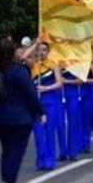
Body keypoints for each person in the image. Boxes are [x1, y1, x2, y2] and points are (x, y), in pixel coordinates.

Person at [0, 39, 45, 183]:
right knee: (16, 150)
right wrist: (41, 112)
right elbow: (30, 93)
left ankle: (7, 181)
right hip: (19, 117)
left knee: (7, 149)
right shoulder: (18, 71)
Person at [30, 41, 63, 171]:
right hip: (36, 103)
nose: (41, 52)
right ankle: (41, 160)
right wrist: (34, 43)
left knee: (49, 131)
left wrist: (46, 88)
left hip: (50, 101)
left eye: (44, 50)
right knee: (38, 133)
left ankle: (50, 161)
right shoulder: (32, 65)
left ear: (48, 51)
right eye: (39, 49)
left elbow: (59, 83)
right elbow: (21, 58)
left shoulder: (53, 65)